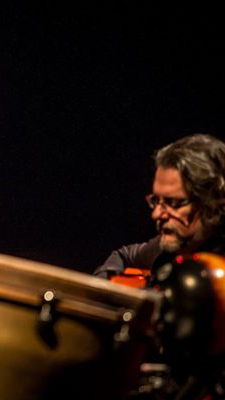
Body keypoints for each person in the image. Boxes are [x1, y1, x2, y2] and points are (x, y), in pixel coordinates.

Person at [94, 133, 225, 399]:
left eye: (175, 203)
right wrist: (106, 297)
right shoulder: (171, 246)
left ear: (214, 202)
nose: (157, 214)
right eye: (156, 201)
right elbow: (124, 257)